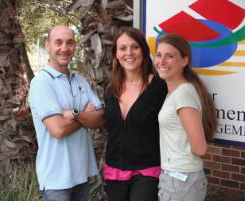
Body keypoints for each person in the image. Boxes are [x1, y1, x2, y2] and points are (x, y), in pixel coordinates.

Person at [29, 25, 105, 201]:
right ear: (48, 46)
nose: (64, 48)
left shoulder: (79, 80)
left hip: (81, 174)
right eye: (58, 42)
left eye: (69, 43)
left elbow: (100, 118)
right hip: (57, 179)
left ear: (75, 47)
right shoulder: (41, 83)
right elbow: (58, 130)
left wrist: (75, 114)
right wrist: (85, 114)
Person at [104, 26, 168, 201]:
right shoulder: (111, 90)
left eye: (135, 47)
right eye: (123, 48)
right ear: (116, 54)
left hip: (147, 170)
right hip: (115, 170)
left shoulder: (159, 87)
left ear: (144, 50)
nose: (129, 53)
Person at [154, 34, 217, 201]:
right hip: (179, 179)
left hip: (180, 181)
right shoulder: (176, 92)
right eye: (159, 55)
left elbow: (200, 148)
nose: (161, 61)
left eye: (170, 56)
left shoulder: (182, 94)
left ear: (184, 61)